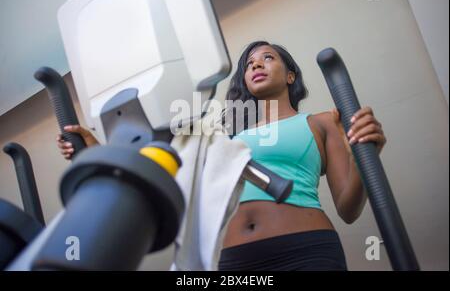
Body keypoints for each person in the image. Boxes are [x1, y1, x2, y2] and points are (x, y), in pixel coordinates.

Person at [56, 40, 386, 271]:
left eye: (268, 58)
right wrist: (96, 152)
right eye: (250, 63)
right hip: (232, 261)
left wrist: (366, 155)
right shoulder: (223, 136)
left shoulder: (321, 122)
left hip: (306, 249)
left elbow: (348, 208)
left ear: (290, 75)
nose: (256, 63)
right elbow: (169, 173)